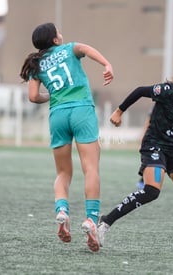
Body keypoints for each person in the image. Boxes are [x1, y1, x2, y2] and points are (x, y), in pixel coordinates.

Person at [97, 58, 173, 252]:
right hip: (155, 146)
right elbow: (140, 91)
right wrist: (119, 111)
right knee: (151, 191)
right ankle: (105, 221)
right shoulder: (169, 91)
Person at [19, 22, 113, 252]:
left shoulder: (36, 63)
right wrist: (106, 64)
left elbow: (33, 96)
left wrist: (51, 97)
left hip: (58, 115)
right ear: (55, 40)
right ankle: (91, 219)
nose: (61, 34)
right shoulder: (69, 48)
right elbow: (87, 50)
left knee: (63, 172)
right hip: (82, 110)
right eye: (57, 32)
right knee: (90, 168)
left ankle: (62, 211)